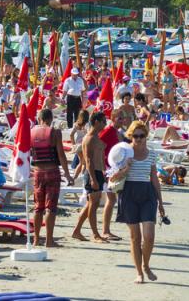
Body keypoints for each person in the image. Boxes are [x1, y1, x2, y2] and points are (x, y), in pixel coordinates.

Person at [112, 123, 165, 284]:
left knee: (149, 236)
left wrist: (161, 202)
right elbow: (113, 177)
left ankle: (146, 264)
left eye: (142, 136)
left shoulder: (151, 153)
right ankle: (139, 272)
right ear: (130, 136)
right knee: (135, 237)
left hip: (147, 193)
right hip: (129, 193)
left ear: (146, 136)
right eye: (136, 136)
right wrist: (125, 169)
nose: (139, 139)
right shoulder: (123, 152)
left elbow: (154, 177)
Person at [31, 108, 74, 247]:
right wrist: (67, 174)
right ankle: (49, 240)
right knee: (51, 207)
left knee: (38, 207)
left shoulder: (31, 132)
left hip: (37, 172)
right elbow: (61, 155)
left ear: (39, 119)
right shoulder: (55, 133)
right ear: (50, 119)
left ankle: (36, 239)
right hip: (52, 171)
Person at [72, 112, 108, 243]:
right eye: (104, 121)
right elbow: (88, 160)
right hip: (91, 173)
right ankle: (95, 234)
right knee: (93, 205)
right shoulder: (89, 138)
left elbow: (99, 158)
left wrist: (104, 172)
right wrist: (93, 179)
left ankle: (77, 231)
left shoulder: (96, 137)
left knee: (91, 204)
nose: (105, 124)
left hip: (98, 172)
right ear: (97, 121)